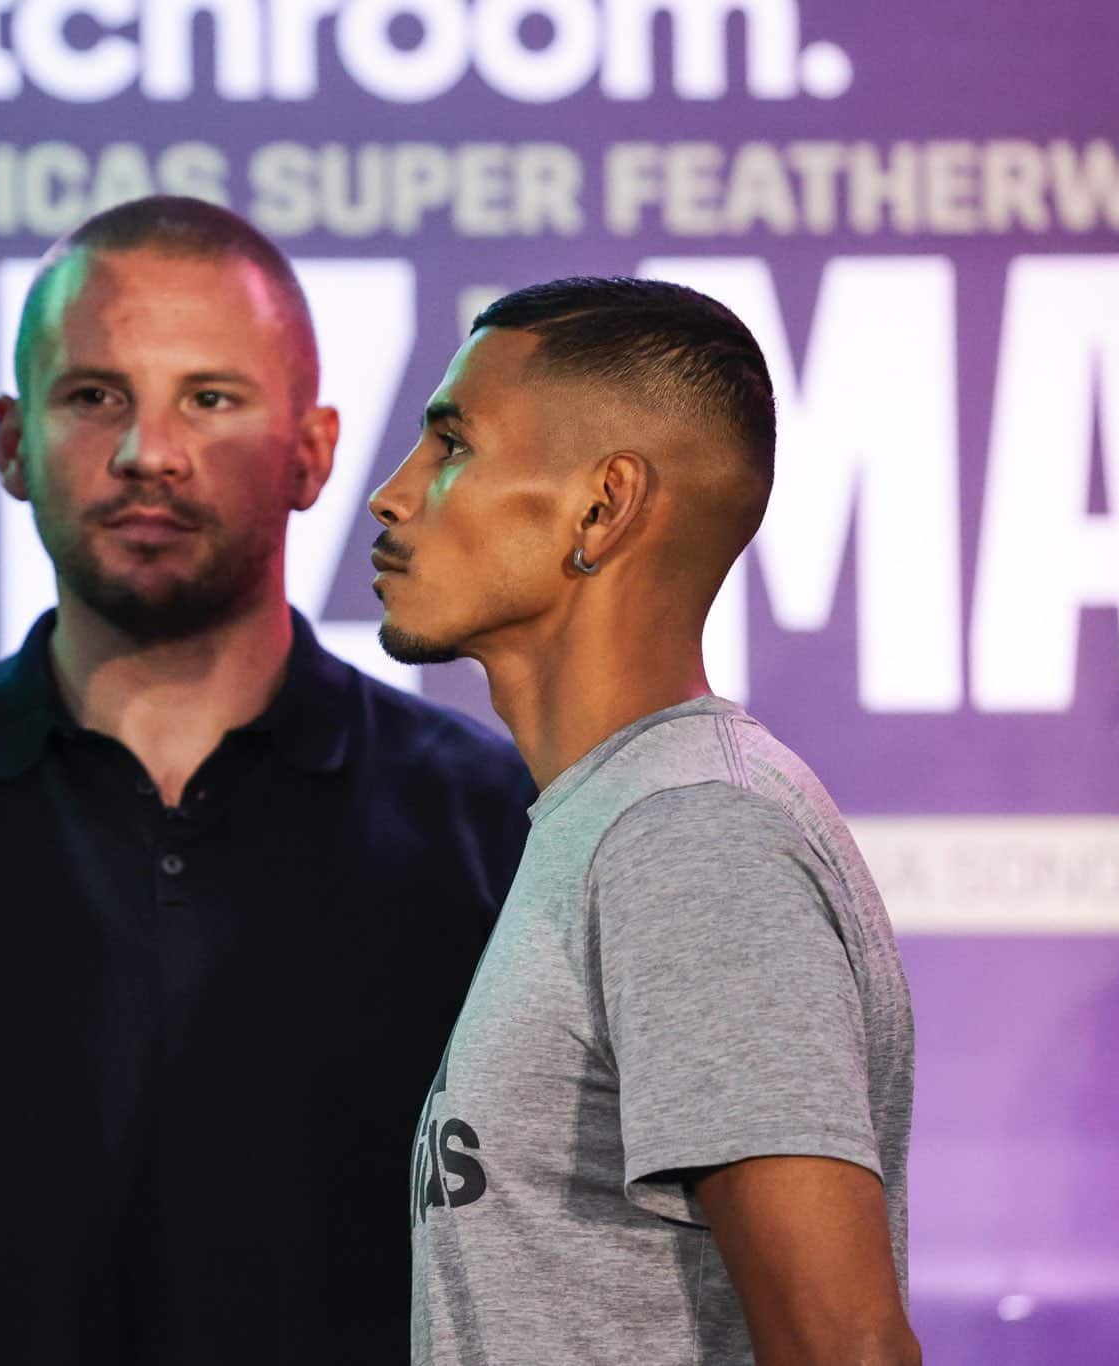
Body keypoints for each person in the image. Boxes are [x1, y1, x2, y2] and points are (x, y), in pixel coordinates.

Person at [0, 196, 534, 1365]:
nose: (149, 450)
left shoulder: (500, 837)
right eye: (93, 395)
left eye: (210, 396)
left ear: (313, 451)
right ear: (7, 442)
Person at [371, 276, 918, 1364]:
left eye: (449, 446)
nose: (390, 494)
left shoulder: (689, 836)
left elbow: (842, 1346)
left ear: (601, 507)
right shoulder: (613, 820)